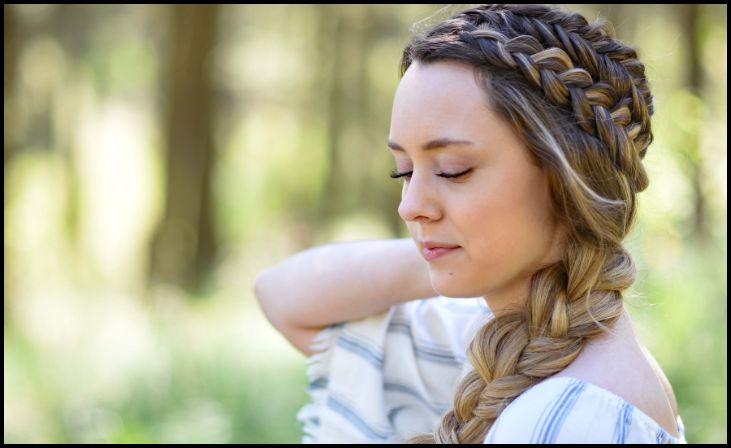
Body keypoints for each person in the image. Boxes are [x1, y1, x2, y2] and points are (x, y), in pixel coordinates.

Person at [253, 4, 687, 444]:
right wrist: (445, 248)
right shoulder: (501, 340)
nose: (410, 206)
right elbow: (282, 295)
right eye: (403, 170)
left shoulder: (568, 418)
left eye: (452, 169)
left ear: (566, 176)